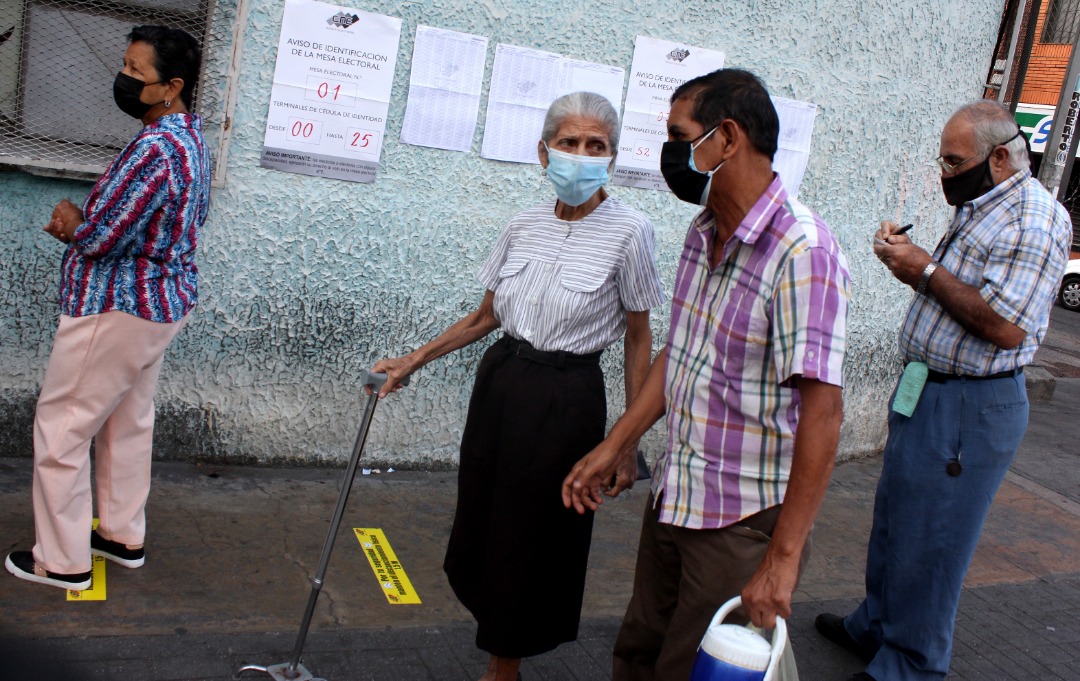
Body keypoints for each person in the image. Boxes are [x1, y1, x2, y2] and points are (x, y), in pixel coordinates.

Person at [562, 68, 850, 680]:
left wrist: (783, 560)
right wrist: (620, 442)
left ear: (726, 138)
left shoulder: (804, 253)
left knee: (695, 670)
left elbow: (824, 414)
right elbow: (682, 353)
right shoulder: (703, 233)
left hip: (739, 523)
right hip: (676, 493)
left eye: (678, 135)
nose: (669, 154)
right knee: (638, 653)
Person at [372, 91, 664, 681]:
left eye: (595, 146)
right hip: (502, 385)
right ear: (543, 152)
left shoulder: (632, 232)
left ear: (611, 156)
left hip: (566, 396)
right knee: (485, 514)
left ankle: (504, 664)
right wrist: (414, 359)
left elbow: (639, 339)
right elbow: (485, 318)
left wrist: (627, 441)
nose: (580, 156)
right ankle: (495, 641)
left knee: (532, 530)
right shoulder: (521, 225)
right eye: (569, 143)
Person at [815, 100, 1072, 680]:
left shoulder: (1033, 218)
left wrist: (924, 271)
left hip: (970, 405)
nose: (944, 174)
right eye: (943, 160)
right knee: (896, 519)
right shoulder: (987, 204)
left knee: (934, 542)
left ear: (1000, 157)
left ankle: (910, 663)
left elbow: (1005, 327)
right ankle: (877, 628)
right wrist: (912, 263)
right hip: (928, 391)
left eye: (954, 162)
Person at [5, 25, 210, 591]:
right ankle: (121, 536)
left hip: (115, 306)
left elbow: (102, 237)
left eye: (135, 71)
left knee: (62, 430)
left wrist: (73, 220)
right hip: (158, 306)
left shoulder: (156, 147)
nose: (122, 77)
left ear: (172, 86)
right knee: (126, 424)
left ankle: (61, 560)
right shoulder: (191, 139)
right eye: (125, 64)